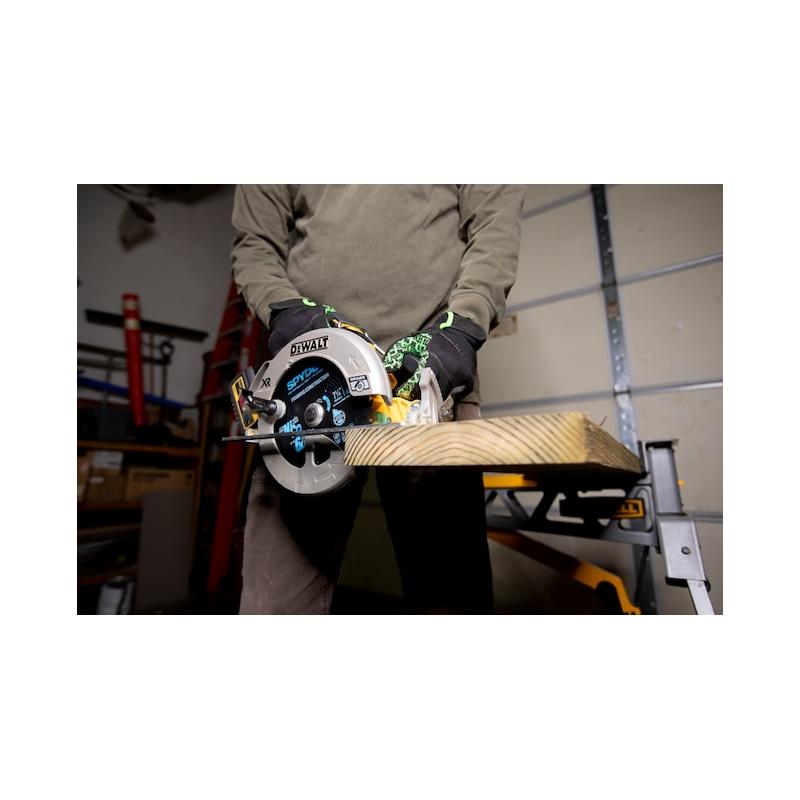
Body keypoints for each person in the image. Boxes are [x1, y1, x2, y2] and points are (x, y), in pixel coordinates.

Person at [231, 185, 525, 614]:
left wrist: (464, 326)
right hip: (310, 377)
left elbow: (495, 222)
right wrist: (283, 308)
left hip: (428, 377)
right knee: (275, 607)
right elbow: (254, 244)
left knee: (451, 601)